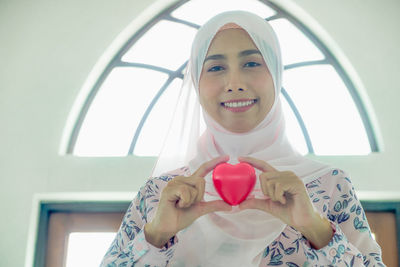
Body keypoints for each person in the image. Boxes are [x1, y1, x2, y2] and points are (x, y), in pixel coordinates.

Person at [100, 10, 385, 267]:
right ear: (196, 83)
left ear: (276, 73)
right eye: (215, 68)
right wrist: (157, 235)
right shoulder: (160, 195)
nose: (235, 83)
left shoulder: (329, 186)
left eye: (251, 63)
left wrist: (316, 228)